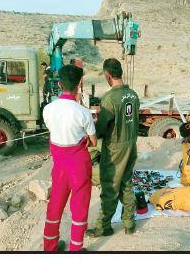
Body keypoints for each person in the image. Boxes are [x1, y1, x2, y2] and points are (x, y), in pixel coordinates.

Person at [42, 64, 97, 252]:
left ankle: (49, 247)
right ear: (79, 84)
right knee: (80, 204)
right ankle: (75, 249)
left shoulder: (48, 109)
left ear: (59, 84)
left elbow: (54, 131)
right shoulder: (83, 112)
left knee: (56, 203)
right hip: (78, 163)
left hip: (58, 163)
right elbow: (93, 142)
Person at [86, 58, 140, 237]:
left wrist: (94, 124)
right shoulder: (133, 94)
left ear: (108, 76)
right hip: (131, 144)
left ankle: (103, 227)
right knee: (126, 182)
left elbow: (101, 129)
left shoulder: (109, 98)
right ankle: (129, 223)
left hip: (115, 148)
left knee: (110, 187)